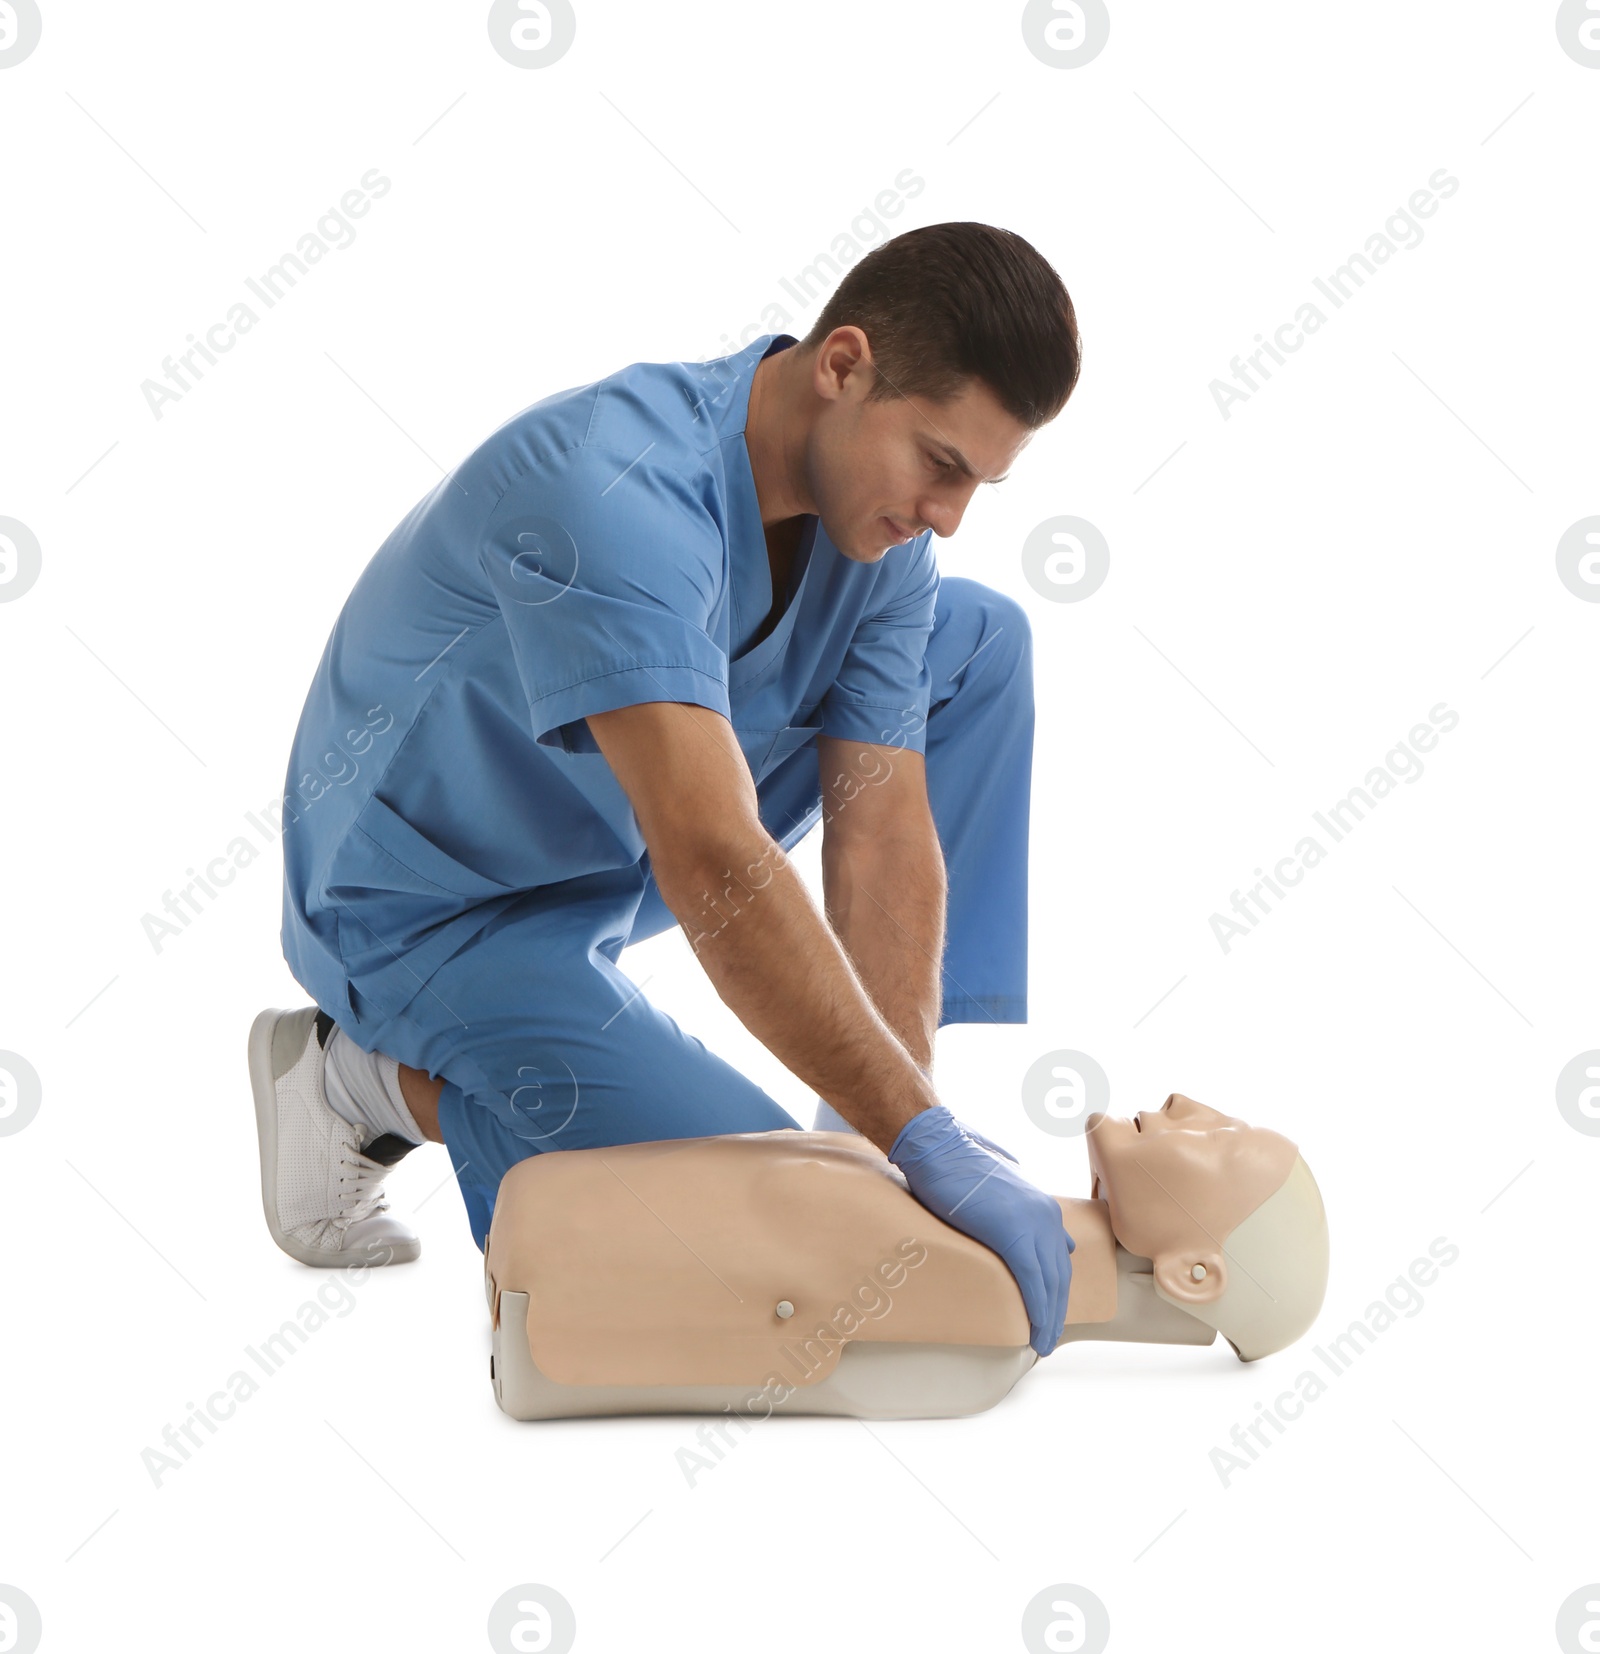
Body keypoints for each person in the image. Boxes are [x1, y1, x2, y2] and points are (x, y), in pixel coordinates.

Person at [248, 221, 1084, 1357]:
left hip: (597, 843)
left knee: (977, 642)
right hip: (422, 905)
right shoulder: (614, 493)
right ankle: (357, 1083)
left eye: (980, 483)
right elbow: (713, 859)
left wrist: (886, 1144)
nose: (948, 515)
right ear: (843, 366)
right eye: (940, 464)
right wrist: (924, 1144)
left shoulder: (876, 541)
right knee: (727, 1219)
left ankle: (851, 1128)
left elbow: (883, 828)